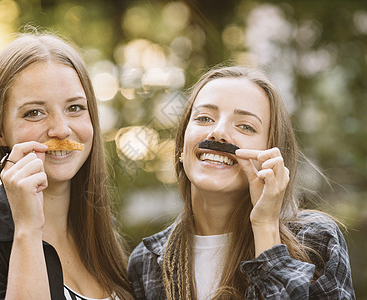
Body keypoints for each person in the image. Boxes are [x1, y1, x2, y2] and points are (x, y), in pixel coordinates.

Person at [0, 32, 133, 300]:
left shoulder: (103, 236)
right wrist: (27, 228)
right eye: (34, 112)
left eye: (74, 108)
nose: (61, 129)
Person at [127, 66, 355, 299]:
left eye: (245, 126)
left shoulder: (316, 241)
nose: (218, 133)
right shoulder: (145, 263)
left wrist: (265, 226)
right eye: (204, 118)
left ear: (270, 155)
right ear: (181, 149)